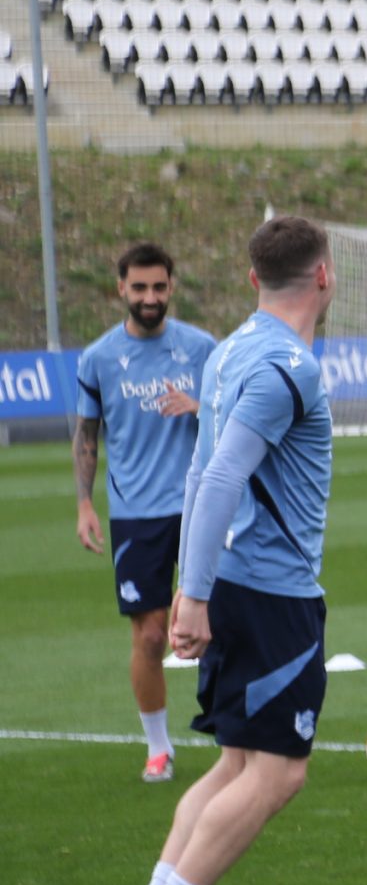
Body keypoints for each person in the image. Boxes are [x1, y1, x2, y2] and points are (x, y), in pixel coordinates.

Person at [106, 217, 336, 885]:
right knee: (278, 773)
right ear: (324, 276)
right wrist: (194, 594)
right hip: (269, 593)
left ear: (251, 279)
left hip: (237, 583)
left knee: (237, 765)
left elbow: (202, 469)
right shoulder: (286, 366)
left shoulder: (231, 349)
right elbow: (220, 475)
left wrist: (193, 586)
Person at [74, 243, 218, 784]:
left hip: (203, 504)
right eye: (139, 288)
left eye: (159, 287)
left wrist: (200, 407)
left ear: (172, 287)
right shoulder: (98, 359)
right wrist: (84, 503)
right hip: (135, 514)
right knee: (152, 637)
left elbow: (237, 415)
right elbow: (87, 435)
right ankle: (158, 748)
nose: (150, 297)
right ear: (121, 289)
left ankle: (235, 735)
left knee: (223, 625)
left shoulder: (203, 349)